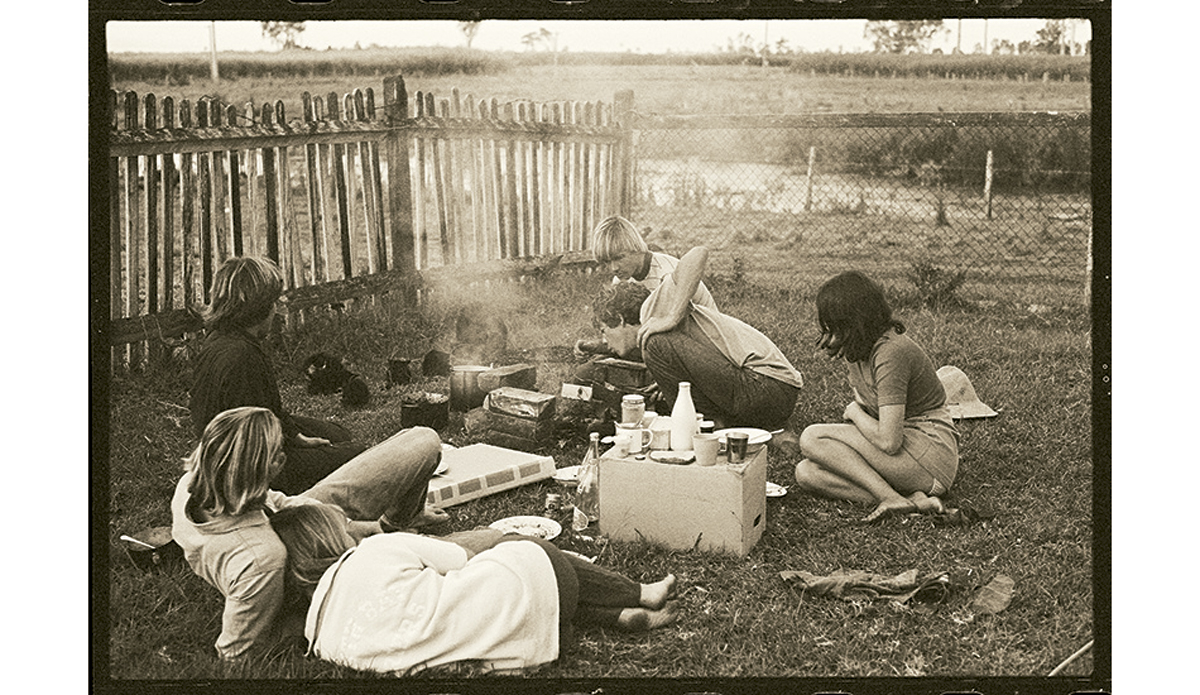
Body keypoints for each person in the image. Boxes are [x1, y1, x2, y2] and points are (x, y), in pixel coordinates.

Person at [171, 406, 447, 663]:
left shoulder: (196, 483)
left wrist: (351, 523)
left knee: (422, 441)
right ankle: (404, 545)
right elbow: (237, 653)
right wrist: (314, 616)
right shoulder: (260, 560)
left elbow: (274, 500)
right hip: (319, 560)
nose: (284, 455)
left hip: (310, 522)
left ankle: (393, 527)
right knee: (483, 543)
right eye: (277, 454)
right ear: (254, 472)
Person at [269, 503, 681, 675]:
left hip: (527, 652)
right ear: (331, 539)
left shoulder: (317, 638)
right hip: (539, 609)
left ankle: (617, 618)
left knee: (495, 595)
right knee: (514, 547)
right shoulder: (373, 550)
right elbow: (459, 560)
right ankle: (639, 593)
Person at [189, 256, 389, 495]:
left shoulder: (222, 339)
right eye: (274, 302)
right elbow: (256, 446)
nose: (276, 311)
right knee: (358, 456)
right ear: (260, 307)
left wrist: (296, 436)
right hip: (245, 471)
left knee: (337, 434)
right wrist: (300, 455)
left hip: (239, 443)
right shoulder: (243, 358)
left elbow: (270, 411)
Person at [792, 271, 960, 522]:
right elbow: (877, 421)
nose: (828, 333)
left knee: (812, 436)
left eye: (833, 324)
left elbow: (888, 441)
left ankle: (889, 498)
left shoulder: (892, 352)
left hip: (931, 456)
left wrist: (853, 412)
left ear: (853, 322)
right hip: (907, 457)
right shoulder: (858, 350)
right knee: (807, 472)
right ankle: (910, 502)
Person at [591, 246, 802, 431]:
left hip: (767, 385)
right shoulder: (653, 323)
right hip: (776, 392)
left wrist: (673, 316)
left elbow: (698, 253)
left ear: (619, 319)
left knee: (655, 346)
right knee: (662, 375)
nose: (604, 339)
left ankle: (694, 428)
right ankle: (746, 430)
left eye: (603, 330)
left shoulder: (651, 310)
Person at [574, 216, 717, 365]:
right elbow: (625, 331)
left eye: (619, 258)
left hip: (705, 343)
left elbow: (663, 336)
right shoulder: (622, 280)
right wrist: (595, 347)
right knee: (597, 365)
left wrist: (671, 318)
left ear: (635, 248)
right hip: (668, 343)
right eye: (607, 262)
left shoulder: (665, 273)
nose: (614, 268)